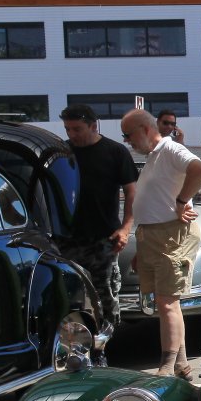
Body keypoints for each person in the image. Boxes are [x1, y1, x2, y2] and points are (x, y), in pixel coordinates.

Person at [120, 108, 201, 383]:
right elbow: (154, 201)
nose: (127, 141)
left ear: (145, 130)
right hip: (154, 236)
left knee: (168, 302)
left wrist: (181, 201)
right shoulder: (155, 156)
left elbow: (198, 170)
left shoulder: (170, 150)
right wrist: (142, 248)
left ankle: (168, 365)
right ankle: (180, 364)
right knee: (165, 303)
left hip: (171, 235)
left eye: (128, 135)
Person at [57, 103, 138, 361]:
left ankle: (103, 350)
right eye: (68, 129)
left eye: (77, 129)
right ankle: (74, 352)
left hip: (104, 238)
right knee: (68, 296)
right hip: (67, 238)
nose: (72, 134)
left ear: (93, 126)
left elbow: (132, 192)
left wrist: (126, 228)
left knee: (105, 298)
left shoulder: (114, 152)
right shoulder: (61, 153)